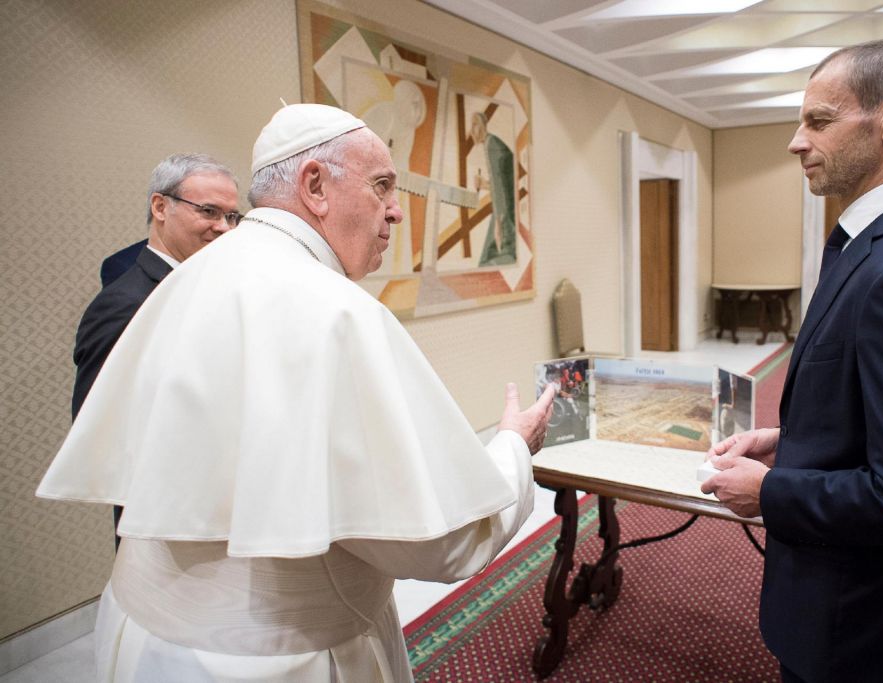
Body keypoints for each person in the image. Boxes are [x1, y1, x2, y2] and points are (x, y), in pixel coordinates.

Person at [39, 103, 555, 682]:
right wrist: (513, 445)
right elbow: (446, 545)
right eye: (382, 185)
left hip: (141, 638)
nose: (395, 213)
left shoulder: (182, 280)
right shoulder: (337, 311)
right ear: (314, 185)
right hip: (275, 661)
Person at [701, 39, 883, 683]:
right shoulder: (874, 244)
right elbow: (873, 411)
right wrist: (788, 439)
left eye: (819, 121)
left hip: (866, 634)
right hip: (836, 613)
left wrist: (771, 491)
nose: (796, 141)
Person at [71, 153, 240, 548]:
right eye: (209, 211)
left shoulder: (211, 284)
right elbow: (100, 430)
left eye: (233, 216)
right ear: (160, 207)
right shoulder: (125, 304)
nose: (224, 228)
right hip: (163, 526)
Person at [470, 111, 517, 266]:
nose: (472, 129)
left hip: (505, 213)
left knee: (488, 261)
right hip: (505, 210)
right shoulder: (491, 144)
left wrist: (499, 222)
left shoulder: (492, 146)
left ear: (483, 126)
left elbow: (500, 190)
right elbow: (499, 183)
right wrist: (484, 184)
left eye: (475, 124)